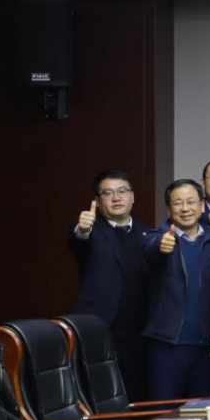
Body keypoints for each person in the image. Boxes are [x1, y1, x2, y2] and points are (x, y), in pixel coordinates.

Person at [68, 170, 149, 401]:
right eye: (108, 193)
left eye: (122, 191)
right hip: (100, 329)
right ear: (97, 200)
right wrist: (82, 229)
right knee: (100, 397)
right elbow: (78, 240)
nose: (116, 198)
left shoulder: (148, 233)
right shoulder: (91, 231)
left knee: (138, 397)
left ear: (132, 196)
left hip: (140, 334)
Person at [141, 178, 210, 399]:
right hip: (166, 346)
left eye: (191, 201)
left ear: (202, 206)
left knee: (202, 413)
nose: (185, 208)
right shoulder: (156, 237)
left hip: (206, 349)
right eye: (178, 203)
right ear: (168, 209)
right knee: (163, 414)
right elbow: (151, 248)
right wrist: (161, 245)